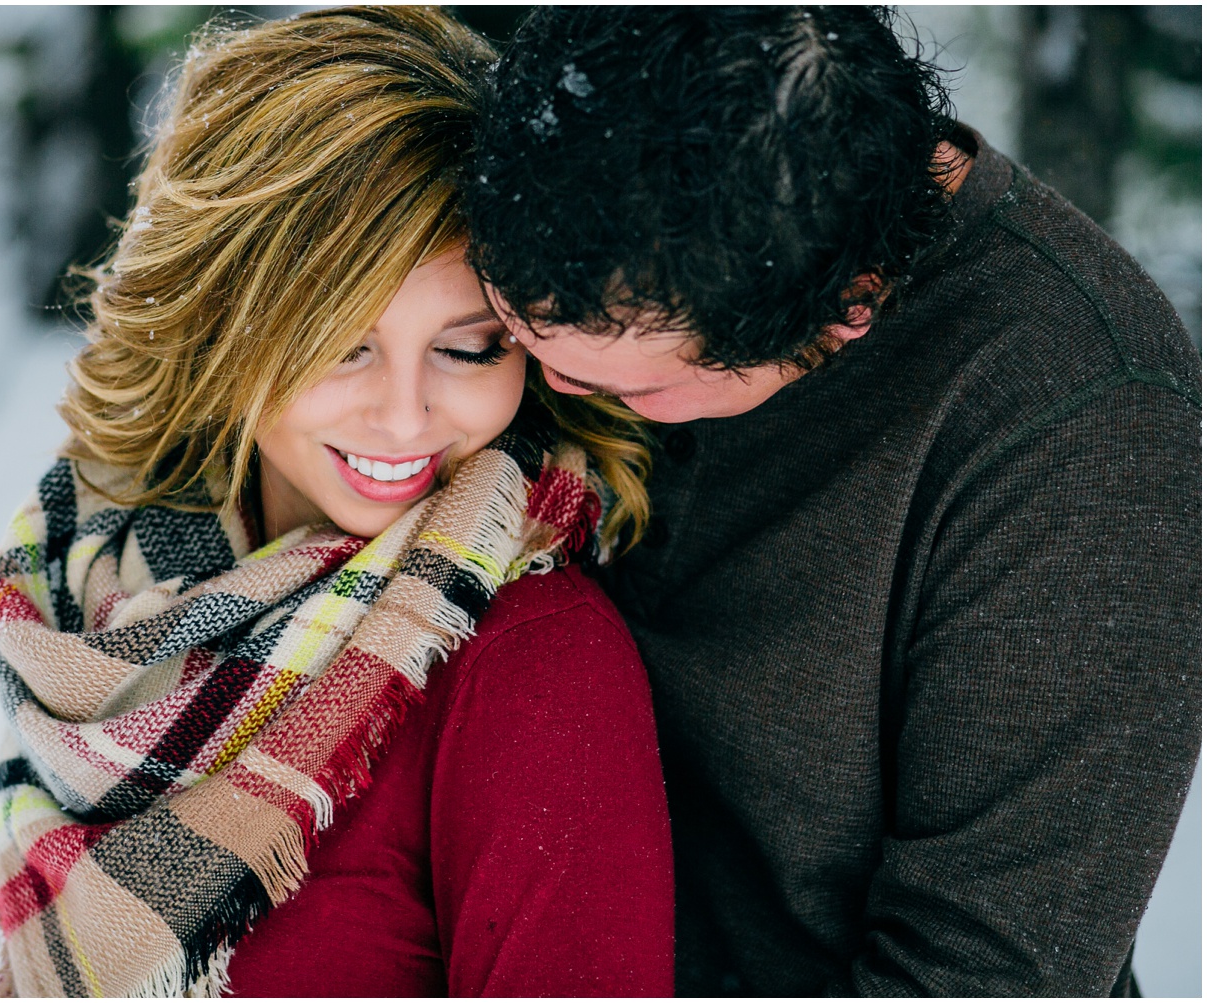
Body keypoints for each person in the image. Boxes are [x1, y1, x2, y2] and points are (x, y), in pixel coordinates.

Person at [464, 6, 1201, 997]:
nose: (544, 403)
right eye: (502, 342)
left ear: (846, 310)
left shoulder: (1077, 417)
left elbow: (990, 970)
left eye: (624, 390)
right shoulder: (590, 165)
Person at [0, 8, 674, 998]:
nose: (404, 415)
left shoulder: (533, 664)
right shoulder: (101, 596)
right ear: (217, 314)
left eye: (469, 345)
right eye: (341, 339)